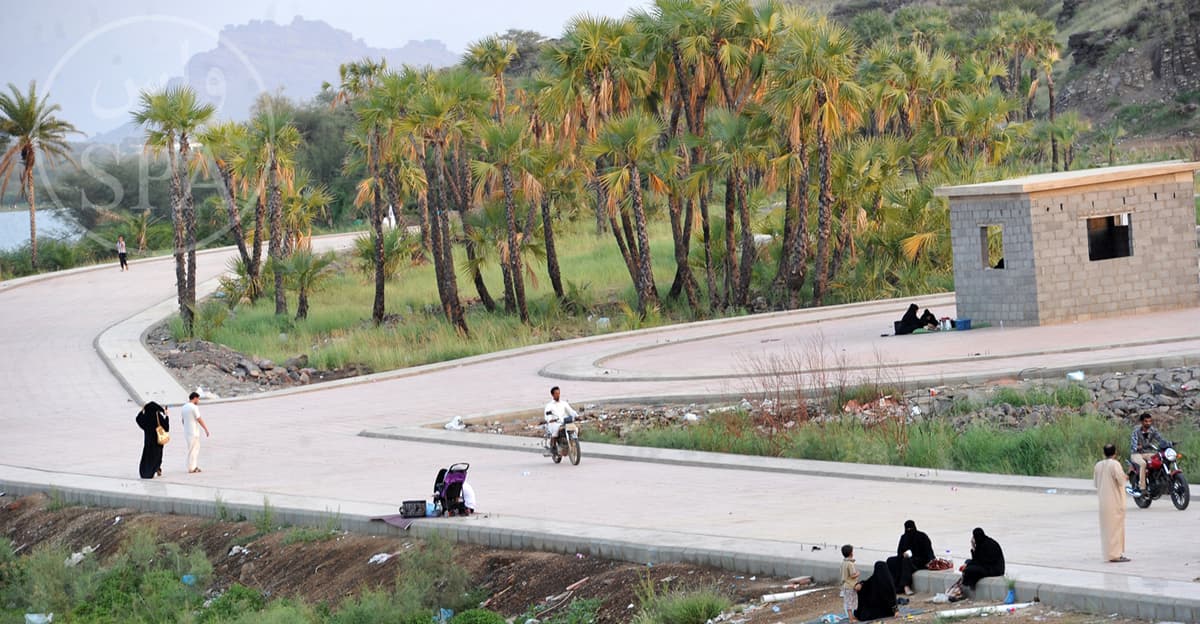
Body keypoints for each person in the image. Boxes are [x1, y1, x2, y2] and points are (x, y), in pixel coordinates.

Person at [1094, 443, 1129, 562]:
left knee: (1106, 529)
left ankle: (1109, 553)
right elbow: (1121, 481)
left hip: (1103, 502)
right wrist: (1127, 475)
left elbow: (1095, 483)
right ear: (1115, 453)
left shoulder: (1098, 465)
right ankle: (1115, 555)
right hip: (1115, 501)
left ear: (1104, 453)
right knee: (1115, 529)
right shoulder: (1115, 464)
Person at [886, 519, 935, 595]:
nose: (909, 531)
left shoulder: (922, 536)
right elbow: (899, 552)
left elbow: (929, 551)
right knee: (890, 560)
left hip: (920, 561)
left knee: (906, 561)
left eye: (911, 529)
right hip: (906, 558)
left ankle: (906, 586)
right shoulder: (904, 537)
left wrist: (931, 561)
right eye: (907, 529)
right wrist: (903, 554)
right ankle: (893, 585)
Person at [1129, 412, 1167, 496]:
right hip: (1136, 454)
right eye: (1146, 421)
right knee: (1143, 464)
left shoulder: (1153, 430)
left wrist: (1167, 443)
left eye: (1150, 421)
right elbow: (1134, 445)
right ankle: (1142, 488)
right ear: (1142, 422)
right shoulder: (1136, 431)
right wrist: (1140, 446)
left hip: (1148, 453)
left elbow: (1160, 439)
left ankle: (1161, 481)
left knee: (1160, 459)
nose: (1148, 423)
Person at [960, 528, 1004, 593]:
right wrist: (973, 548)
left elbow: (978, 561)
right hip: (987, 566)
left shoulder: (987, 545)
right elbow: (977, 560)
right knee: (968, 563)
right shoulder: (982, 542)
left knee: (969, 569)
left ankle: (968, 584)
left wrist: (973, 548)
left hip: (995, 569)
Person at [135, 401, 168, 479]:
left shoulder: (145, 416)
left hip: (148, 440)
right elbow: (166, 428)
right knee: (157, 455)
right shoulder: (158, 416)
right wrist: (166, 416)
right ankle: (156, 468)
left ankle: (146, 471)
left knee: (147, 455)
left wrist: (142, 410)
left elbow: (138, 419)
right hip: (158, 440)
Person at [181, 392, 210, 473]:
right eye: (198, 399)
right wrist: (205, 429)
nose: (198, 401)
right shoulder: (194, 407)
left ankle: (191, 466)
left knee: (190, 449)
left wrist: (186, 428)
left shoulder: (184, 407)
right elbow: (199, 419)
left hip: (187, 432)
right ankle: (192, 468)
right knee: (194, 450)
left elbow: (183, 420)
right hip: (194, 432)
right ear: (195, 398)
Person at [840, 544, 860, 620]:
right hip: (851, 586)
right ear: (851, 553)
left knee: (848, 602)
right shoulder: (850, 564)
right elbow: (852, 575)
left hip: (845, 585)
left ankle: (851, 617)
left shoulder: (843, 563)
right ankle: (851, 618)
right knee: (852, 602)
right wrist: (858, 573)